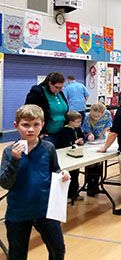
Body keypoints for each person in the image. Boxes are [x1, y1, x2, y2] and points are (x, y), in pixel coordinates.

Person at [0, 104, 70, 260]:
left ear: (42, 125)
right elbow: (5, 183)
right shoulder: (9, 152)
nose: (30, 129)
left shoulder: (48, 148)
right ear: (16, 126)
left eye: (35, 124)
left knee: (58, 250)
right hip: (18, 212)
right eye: (25, 125)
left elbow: (55, 170)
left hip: (45, 210)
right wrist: (15, 160)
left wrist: (62, 174)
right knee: (17, 255)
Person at [25, 72, 68, 145]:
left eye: (61, 87)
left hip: (60, 131)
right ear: (50, 83)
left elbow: (65, 110)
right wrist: (39, 133)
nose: (59, 90)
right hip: (46, 133)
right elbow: (29, 113)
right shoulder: (37, 92)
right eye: (57, 87)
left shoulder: (59, 93)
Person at [82, 102, 113, 196]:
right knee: (91, 163)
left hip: (101, 140)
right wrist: (89, 134)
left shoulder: (107, 114)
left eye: (98, 116)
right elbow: (86, 130)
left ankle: (96, 184)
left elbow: (109, 124)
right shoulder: (87, 118)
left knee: (99, 162)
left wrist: (104, 131)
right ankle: (90, 185)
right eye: (94, 116)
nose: (96, 118)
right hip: (91, 142)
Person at [56, 111, 85, 202]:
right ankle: (68, 194)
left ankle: (74, 193)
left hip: (75, 154)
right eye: (78, 122)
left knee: (76, 174)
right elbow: (65, 144)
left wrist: (81, 141)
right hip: (67, 155)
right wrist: (75, 143)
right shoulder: (65, 131)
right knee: (71, 175)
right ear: (71, 122)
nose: (80, 123)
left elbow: (81, 137)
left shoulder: (77, 129)